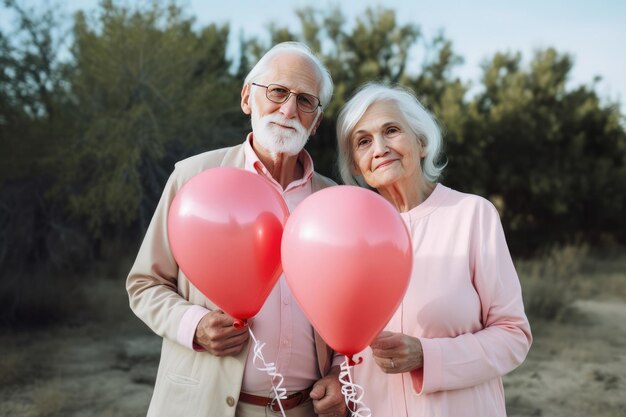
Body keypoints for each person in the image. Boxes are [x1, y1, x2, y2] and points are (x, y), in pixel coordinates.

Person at [127, 42, 347, 417]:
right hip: (204, 406)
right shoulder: (193, 178)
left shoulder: (337, 201)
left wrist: (343, 374)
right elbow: (144, 283)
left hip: (305, 410)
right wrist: (193, 325)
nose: (289, 109)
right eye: (277, 92)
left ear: (317, 121)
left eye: (306, 101)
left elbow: (350, 304)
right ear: (248, 98)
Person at [335, 82, 532, 417]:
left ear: (422, 142)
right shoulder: (345, 236)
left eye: (392, 130)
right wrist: (337, 382)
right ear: (356, 165)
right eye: (363, 141)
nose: (380, 148)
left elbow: (513, 336)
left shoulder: (473, 215)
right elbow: (341, 345)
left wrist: (427, 356)